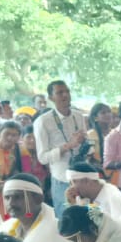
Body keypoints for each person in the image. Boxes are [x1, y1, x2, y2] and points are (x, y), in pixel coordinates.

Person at [33, 80, 89, 217]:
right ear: (51, 98)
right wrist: (68, 146)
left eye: (67, 91)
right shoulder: (43, 121)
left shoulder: (78, 116)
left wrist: (85, 145)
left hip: (83, 176)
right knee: (66, 221)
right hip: (62, 179)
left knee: (89, 219)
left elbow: (85, 144)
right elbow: (42, 157)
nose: (65, 95)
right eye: (60, 93)